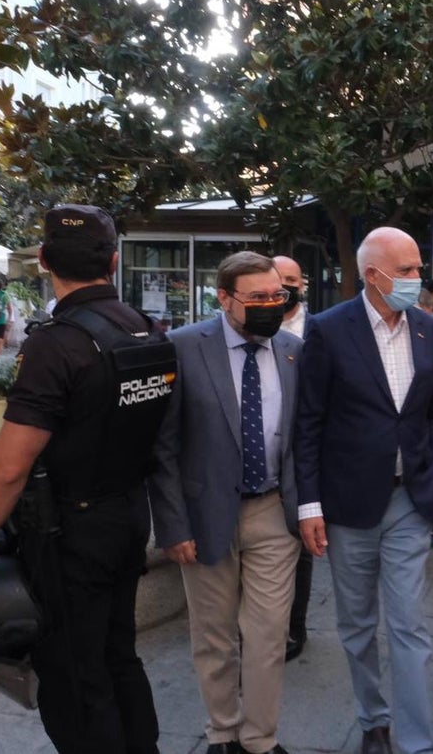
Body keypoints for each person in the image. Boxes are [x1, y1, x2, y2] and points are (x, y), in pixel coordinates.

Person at [0, 204, 175, 754]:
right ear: (114, 262)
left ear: (44, 260)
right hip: (125, 517)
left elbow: (7, 468)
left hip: (71, 532)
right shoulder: (145, 329)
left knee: (74, 674)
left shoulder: (55, 344)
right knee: (119, 655)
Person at [295, 226, 433, 754]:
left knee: (409, 625)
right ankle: (372, 720)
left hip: (410, 500)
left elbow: (432, 416)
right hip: (347, 503)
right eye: (405, 271)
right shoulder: (329, 329)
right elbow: (308, 421)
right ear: (371, 275)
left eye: (416, 268)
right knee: (357, 624)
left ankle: (414, 741)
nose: (415, 279)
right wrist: (309, 504)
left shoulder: (428, 329)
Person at [150, 252, 300, 754]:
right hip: (205, 513)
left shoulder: (293, 350)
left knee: (268, 634)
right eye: (258, 298)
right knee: (213, 636)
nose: (270, 306)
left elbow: (303, 438)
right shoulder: (182, 347)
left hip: (273, 511)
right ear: (223, 298)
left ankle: (260, 738)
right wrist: (172, 526)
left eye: (277, 296)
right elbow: (163, 446)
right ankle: (223, 732)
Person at [272, 254, 312, 663]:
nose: (285, 287)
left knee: (299, 547)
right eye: (278, 279)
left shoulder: (319, 332)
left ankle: (295, 627)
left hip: (300, 455)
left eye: (292, 279)